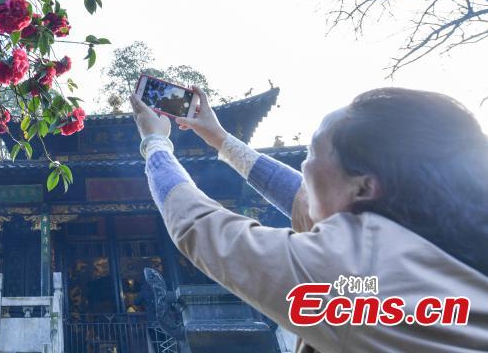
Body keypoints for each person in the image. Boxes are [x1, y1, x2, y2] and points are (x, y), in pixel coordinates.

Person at [131, 87, 488, 352]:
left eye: (313, 151)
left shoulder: (353, 272)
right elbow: (302, 199)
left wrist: (155, 144)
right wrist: (220, 138)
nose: (303, 165)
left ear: (363, 186)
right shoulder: (432, 241)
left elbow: (200, 227)